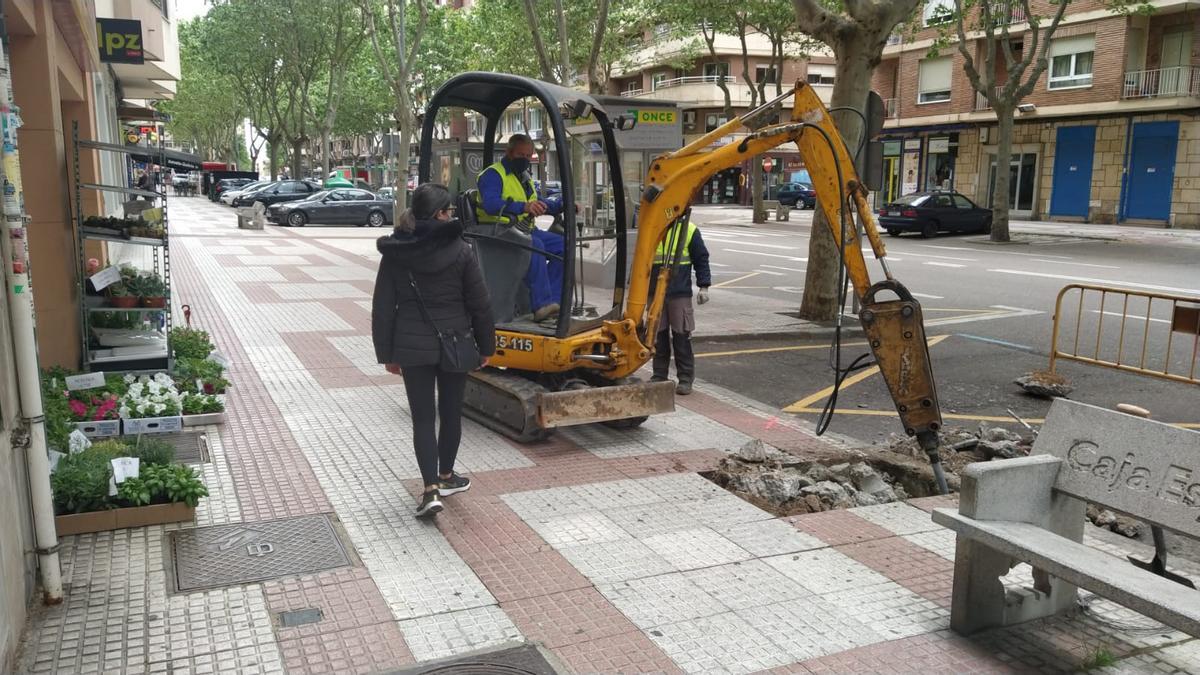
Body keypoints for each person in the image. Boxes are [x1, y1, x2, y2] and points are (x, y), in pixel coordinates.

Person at [372, 183, 495, 517]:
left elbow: (383, 306)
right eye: (449, 211)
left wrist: (387, 354)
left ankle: (430, 491)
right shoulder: (462, 250)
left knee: (423, 418)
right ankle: (446, 474)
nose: (451, 215)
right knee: (451, 412)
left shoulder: (396, 251)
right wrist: (486, 346)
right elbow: (480, 305)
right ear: (440, 214)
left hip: (412, 348)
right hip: (456, 343)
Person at [475, 134, 565, 322]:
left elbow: (537, 202)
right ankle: (541, 305)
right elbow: (491, 204)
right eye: (520, 155)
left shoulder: (524, 177)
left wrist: (563, 205)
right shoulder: (493, 174)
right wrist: (523, 207)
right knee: (535, 244)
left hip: (524, 230)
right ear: (509, 152)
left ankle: (554, 302)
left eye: (527, 156)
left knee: (565, 245)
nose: (524, 160)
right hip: (498, 232)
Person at [650, 218, 711, 396]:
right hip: (655, 292)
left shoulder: (689, 230)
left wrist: (704, 286)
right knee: (657, 337)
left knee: (681, 336)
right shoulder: (652, 225)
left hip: (679, 292)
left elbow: (701, 258)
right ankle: (659, 375)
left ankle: (685, 378)